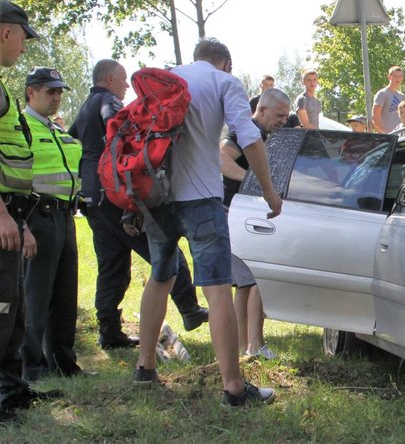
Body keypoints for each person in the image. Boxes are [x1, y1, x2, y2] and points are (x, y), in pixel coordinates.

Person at [134, 38, 282, 407]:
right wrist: (268, 191)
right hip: (201, 200)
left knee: (160, 275)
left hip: (159, 197)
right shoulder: (223, 83)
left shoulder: (167, 79)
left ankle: (145, 367)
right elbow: (248, 137)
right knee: (217, 289)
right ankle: (233, 387)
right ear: (226, 63)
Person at [70, 59, 209, 348]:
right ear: (109, 79)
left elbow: (71, 138)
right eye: (122, 82)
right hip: (115, 193)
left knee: (112, 264)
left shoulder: (84, 107)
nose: (124, 89)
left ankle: (109, 332)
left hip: (93, 198)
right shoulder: (108, 101)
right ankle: (190, 309)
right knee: (165, 250)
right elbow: (121, 129)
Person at [0, 0, 58, 421]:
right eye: (22, 36)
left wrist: (20, 221)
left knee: (12, 308)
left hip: (13, 215)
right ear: (6, 32)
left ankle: (12, 389)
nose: (23, 45)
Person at [20, 68, 86, 380]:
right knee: (35, 296)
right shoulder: (20, 128)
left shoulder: (57, 131)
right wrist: (22, 224)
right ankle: (30, 367)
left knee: (64, 295)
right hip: (36, 216)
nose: (57, 97)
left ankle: (64, 363)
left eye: (60, 91)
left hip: (64, 217)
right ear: (31, 92)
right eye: (50, 91)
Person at [220, 88, 290, 360]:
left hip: (237, 213)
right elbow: (221, 158)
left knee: (246, 283)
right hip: (229, 212)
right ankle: (256, 345)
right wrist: (255, 181)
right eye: (279, 115)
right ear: (261, 111)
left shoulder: (260, 134)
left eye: (286, 115)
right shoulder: (246, 130)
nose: (284, 120)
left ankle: (244, 346)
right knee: (256, 279)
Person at [372, 66, 405, 133]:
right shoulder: (382, 94)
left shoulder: (402, 96)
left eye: (400, 76)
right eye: (395, 76)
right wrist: (383, 132)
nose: (398, 78)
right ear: (389, 77)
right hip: (387, 136)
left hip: (400, 134)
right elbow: (375, 115)